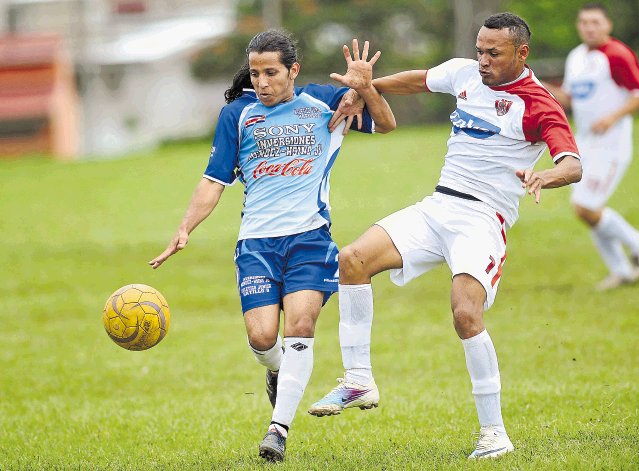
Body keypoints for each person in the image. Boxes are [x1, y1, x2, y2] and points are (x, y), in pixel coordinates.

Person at [308, 12, 582, 459]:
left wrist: (546, 177)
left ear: (522, 53)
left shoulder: (538, 103)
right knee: (352, 259)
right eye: (479, 50)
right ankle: (358, 381)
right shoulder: (464, 73)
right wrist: (367, 87)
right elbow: (420, 81)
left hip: (482, 220)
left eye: (494, 53)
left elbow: (573, 164)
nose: (483, 60)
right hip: (437, 207)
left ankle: (494, 434)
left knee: (464, 313)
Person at [148, 30, 396, 462]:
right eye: (256, 73)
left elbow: (386, 124)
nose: (261, 82)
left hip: (310, 239)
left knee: (300, 326)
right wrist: (185, 227)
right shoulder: (237, 116)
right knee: (263, 338)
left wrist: (365, 87)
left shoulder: (324, 102)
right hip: (257, 244)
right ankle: (277, 370)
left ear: (293, 71)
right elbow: (214, 181)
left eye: (271, 73)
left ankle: (277, 430)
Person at [542, 3, 639, 291]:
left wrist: (611, 117)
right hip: (583, 144)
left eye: (595, 22)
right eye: (584, 22)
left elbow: (637, 93)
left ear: (607, 25)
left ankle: (635, 246)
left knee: (585, 207)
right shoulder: (577, 57)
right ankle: (621, 270)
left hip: (611, 145)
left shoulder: (616, 55)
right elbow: (570, 98)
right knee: (587, 208)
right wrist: (539, 85)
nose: (589, 27)